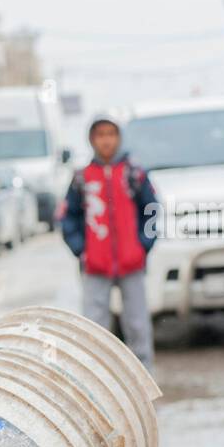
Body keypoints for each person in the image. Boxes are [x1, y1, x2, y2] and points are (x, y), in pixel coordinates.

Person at [59, 112, 158, 374]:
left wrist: (143, 245)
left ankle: (142, 376)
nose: (106, 141)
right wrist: (82, 250)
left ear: (119, 137)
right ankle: (98, 377)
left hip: (131, 262)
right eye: (100, 135)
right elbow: (68, 217)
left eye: (111, 134)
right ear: (92, 140)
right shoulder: (82, 178)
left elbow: (151, 210)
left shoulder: (134, 174)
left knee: (137, 323)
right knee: (95, 327)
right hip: (95, 266)